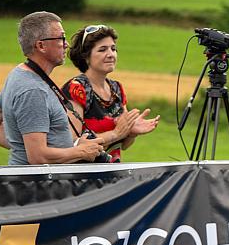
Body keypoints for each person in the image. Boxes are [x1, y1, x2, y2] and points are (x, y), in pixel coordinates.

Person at [0, 11, 106, 165]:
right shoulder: (33, 90)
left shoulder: (19, 73)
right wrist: (80, 151)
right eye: (61, 38)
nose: (67, 44)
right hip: (39, 186)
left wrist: (20, 144)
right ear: (41, 45)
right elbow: (38, 157)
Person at [63, 24, 160, 162]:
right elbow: (73, 143)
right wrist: (115, 133)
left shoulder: (117, 88)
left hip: (112, 173)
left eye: (113, 49)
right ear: (86, 56)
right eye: (102, 50)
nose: (110, 54)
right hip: (84, 176)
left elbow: (124, 145)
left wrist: (131, 133)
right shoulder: (76, 89)